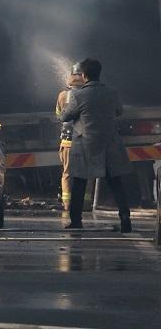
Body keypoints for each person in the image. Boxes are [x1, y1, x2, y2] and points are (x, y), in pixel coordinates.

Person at [60, 57, 134, 232]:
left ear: (84, 75)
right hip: (109, 143)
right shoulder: (112, 92)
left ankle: (76, 220)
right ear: (99, 74)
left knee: (79, 183)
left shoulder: (78, 95)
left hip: (86, 145)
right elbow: (119, 111)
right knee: (116, 182)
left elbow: (65, 117)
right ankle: (125, 220)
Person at [56, 65, 84, 211]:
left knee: (67, 173)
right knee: (86, 173)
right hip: (83, 141)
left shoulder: (62, 95)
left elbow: (58, 115)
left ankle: (67, 204)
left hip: (67, 141)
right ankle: (85, 202)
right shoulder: (88, 95)